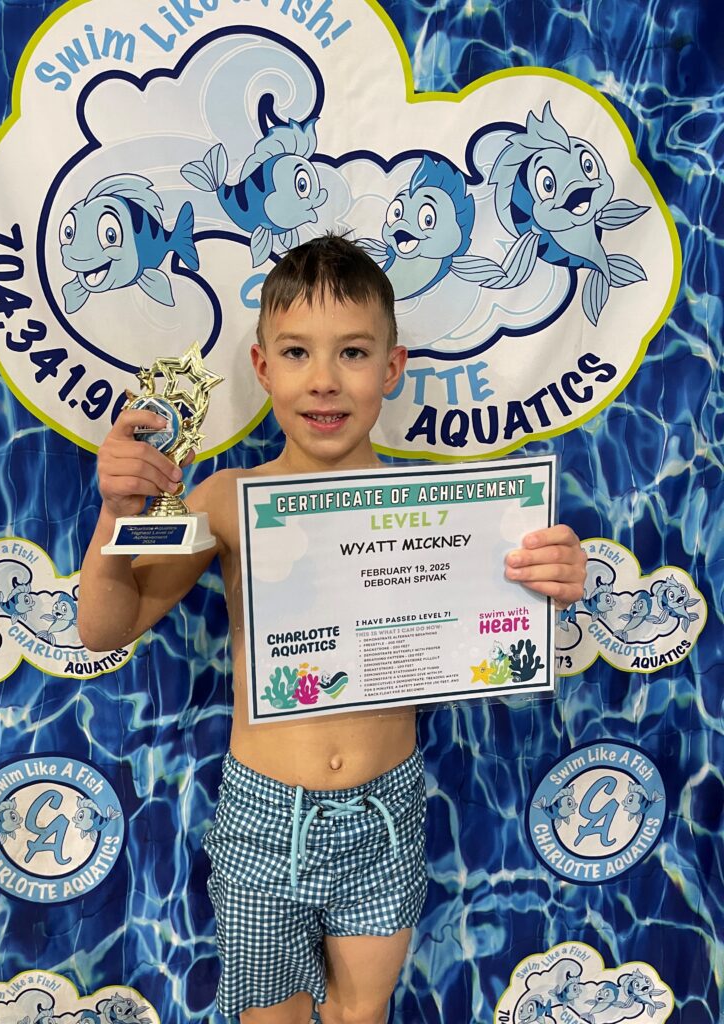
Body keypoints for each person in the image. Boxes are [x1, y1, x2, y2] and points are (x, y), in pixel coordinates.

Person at [79, 234, 586, 1024]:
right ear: (263, 367)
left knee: (362, 1012)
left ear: (390, 368)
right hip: (263, 818)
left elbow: (506, 626)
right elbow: (105, 627)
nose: (323, 379)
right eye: (296, 352)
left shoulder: (450, 517)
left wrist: (553, 577)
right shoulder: (224, 501)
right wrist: (116, 517)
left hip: (386, 813)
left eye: (352, 352)